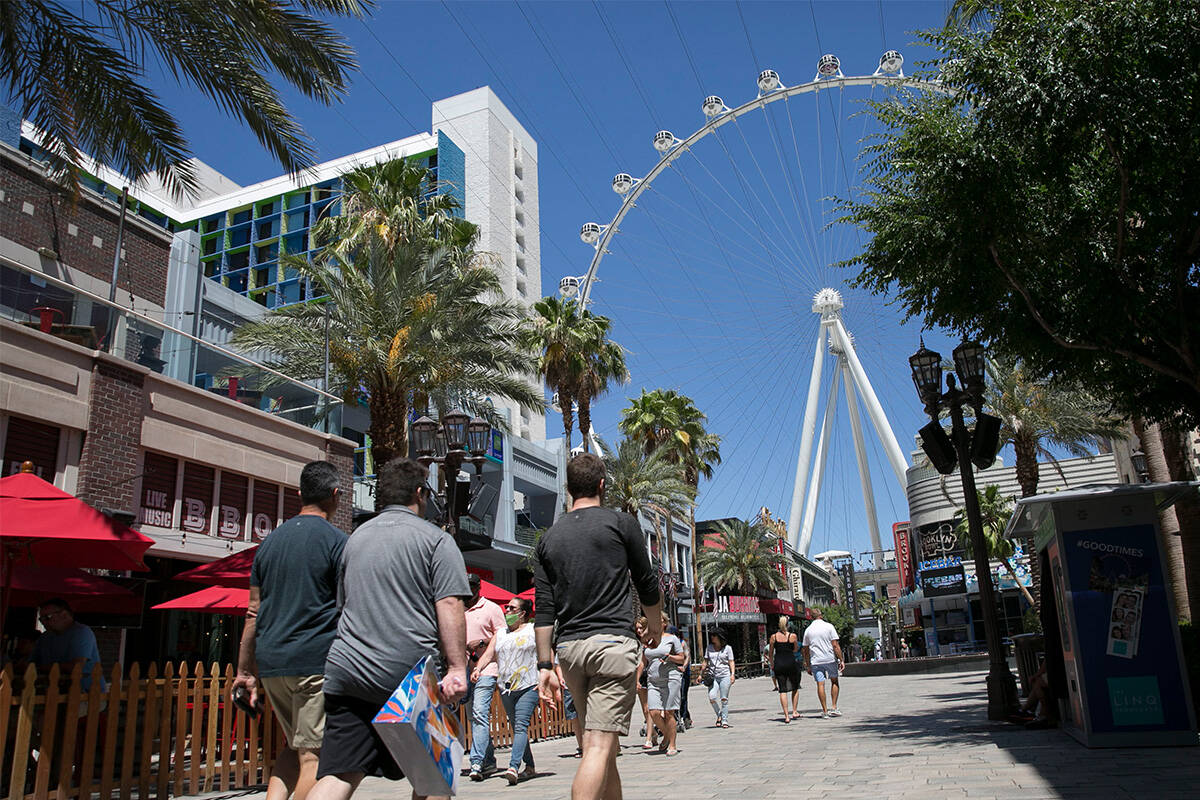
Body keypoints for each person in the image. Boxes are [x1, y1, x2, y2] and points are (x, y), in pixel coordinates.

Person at [307, 458, 470, 800]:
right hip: (408, 676)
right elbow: (450, 604)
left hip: (348, 672)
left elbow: (342, 606)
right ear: (420, 494)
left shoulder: (354, 539)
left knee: (340, 773)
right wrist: (457, 667)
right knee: (432, 776)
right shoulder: (435, 541)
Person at [533, 452, 662, 800]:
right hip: (612, 646)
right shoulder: (620, 524)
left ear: (569, 489)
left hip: (571, 652)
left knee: (604, 748)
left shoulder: (548, 538)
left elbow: (543, 609)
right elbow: (647, 584)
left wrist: (544, 665)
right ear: (603, 485)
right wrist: (655, 629)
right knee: (599, 746)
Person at [233, 461, 346, 800]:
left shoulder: (268, 544)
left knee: (292, 748)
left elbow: (253, 612)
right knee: (315, 755)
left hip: (271, 662)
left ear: (300, 494)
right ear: (336, 495)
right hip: (314, 662)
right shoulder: (337, 542)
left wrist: (244, 672)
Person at [472, 596, 539, 784]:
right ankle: (530, 766)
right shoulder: (500, 633)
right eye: (506, 607)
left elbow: (545, 654)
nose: (507, 611)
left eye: (511, 608)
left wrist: (546, 676)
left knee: (520, 725)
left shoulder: (533, 630)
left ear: (522, 613)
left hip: (529, 684)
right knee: (516, 725)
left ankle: (513, 766)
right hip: (506, 687)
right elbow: (488, 655)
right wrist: (478, 668)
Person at [463, 574, 505, 781]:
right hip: (465, 670)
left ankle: (477, 761)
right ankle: (489, 761)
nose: (468, 590)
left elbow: (502, 637)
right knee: (473, 717)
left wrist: (481, 643)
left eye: (471, 586)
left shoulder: (491, 608)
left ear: (478, 588)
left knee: (479, 713)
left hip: (487, 668)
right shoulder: (457, 609)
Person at [31, 599, 103, 691]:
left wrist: (42, 668)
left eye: (48, 617)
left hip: (85, 694)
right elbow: (32, 663)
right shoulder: (45, 637)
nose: (43, 622)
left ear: (64, 615)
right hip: (53, 691)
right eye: (41, 619)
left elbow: (76, 666)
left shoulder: (81, 632)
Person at [640, 614, 685, 756]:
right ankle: (666, 735)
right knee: (653, 711)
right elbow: (642, 662)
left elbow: (681, 658)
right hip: (653, 681)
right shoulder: (648, 640)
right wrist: (636, 679)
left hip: (671, 678)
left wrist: (670, 657)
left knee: (668, 712)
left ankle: (672, 744)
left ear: (664, 623)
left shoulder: (672, 639)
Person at [802, 608, 845, 719]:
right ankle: (834, 707)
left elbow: (806, 650)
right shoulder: (829, 627)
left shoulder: (808, 630)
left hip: (816, 661)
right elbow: (835, 645)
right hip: (829, 658)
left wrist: (807, 664)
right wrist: (841, 659)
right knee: (834, 681)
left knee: (820, 684)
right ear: (821, 616)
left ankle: (825, 711)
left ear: (811, 617)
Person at [768, 616, 801, 722]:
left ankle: (786, 716)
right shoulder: (792, 636)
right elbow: (795, 649)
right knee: (795, 687)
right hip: (790, 662)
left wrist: (772, 664)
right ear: (788, 625)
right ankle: (794, 711)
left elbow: (770, 652)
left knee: (782, 690)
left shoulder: (774, 637)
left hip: (779, 663)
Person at [704, 631, 735, 728]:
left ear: (719, 637)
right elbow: (705, 661)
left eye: (714, 636)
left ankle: (724, 720)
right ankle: (719, 714)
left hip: (725, 675)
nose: (712, 637)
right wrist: (701, 674)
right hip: (713, 676)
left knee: (724, 698)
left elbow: (731, 661)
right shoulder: (709, 648)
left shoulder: (727, 648)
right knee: (712, 697)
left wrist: (732, 674)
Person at [675, 627, 692, 731]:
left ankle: (684, 717)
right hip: (673, 673)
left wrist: (684, 667)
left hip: (683, 673)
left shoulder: (682, 643)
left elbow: (687, 656)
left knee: (682, 696)